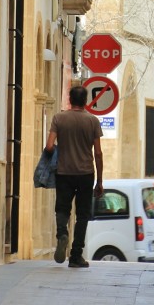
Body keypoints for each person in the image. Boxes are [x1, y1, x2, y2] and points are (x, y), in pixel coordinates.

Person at [46, 84, 103, 268]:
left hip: (64, 172)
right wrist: (100, 181)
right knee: (82, 215)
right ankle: (76, 254)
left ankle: (62, 233)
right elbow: (99, 152)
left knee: (62, 209)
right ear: (85, 101)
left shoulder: (59, 118)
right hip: (86, 173)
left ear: (70, 100)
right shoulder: (93, 121)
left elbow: (49, 146)